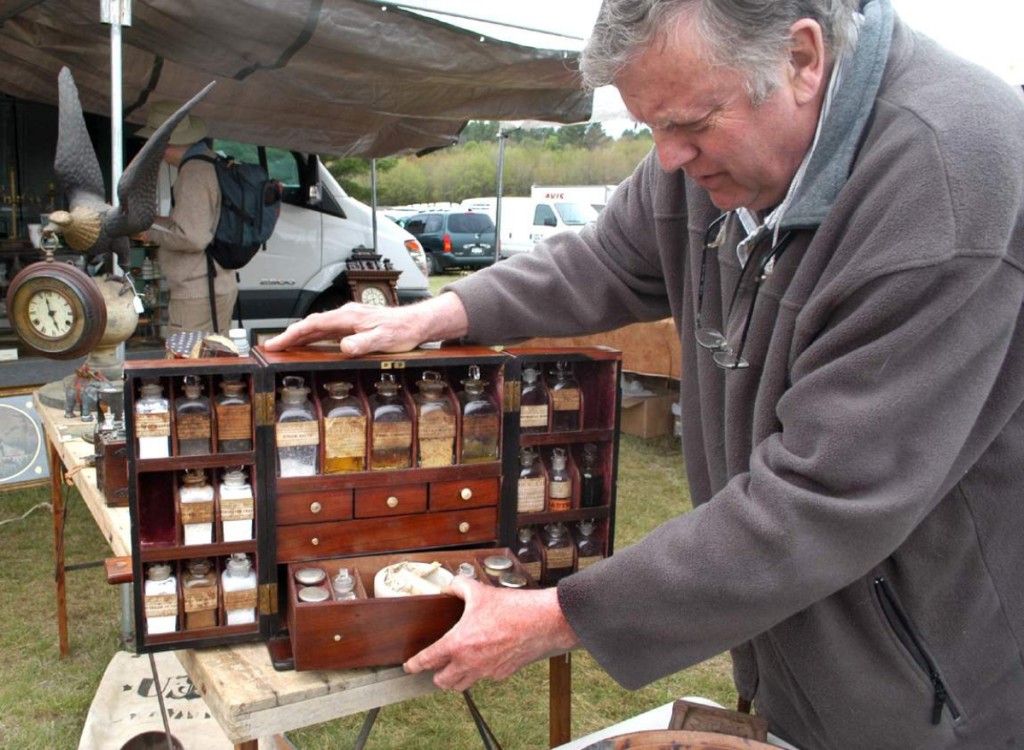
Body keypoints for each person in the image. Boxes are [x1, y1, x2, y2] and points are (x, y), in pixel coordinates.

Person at [264, 0, 1024, 747]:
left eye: (690, 125)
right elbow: (605, 255)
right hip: (794, 648)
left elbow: (826, 494)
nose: (668, 160)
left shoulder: (948, 170)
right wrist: (437, 314)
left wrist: (560, 617)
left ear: (801, 58)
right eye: (651, 127)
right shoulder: (721, 138)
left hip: (934, 690)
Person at [138, 101, 237, 335]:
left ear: (163, 144)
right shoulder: (212, 161)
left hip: (198, 291)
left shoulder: (193, 172)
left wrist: (150, 231)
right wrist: (159, 221)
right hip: (216, 284)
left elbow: (193, 238)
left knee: (185, 364)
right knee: (214, 361)